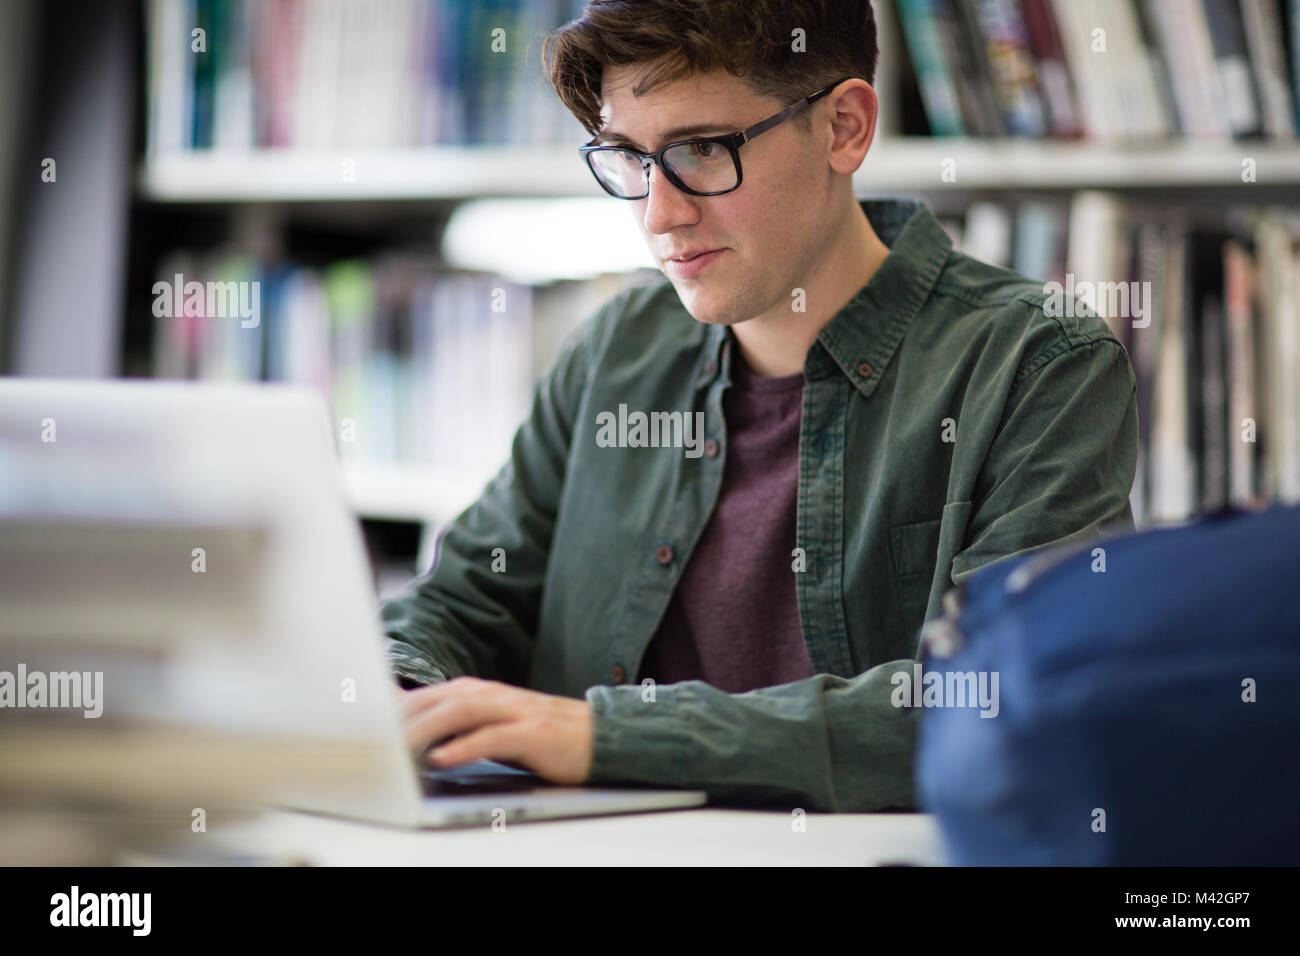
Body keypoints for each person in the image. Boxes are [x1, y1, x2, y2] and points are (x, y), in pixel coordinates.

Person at [384, 0, 1136, 811]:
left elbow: (1007, 699)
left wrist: (611, 737)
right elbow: (468, 599)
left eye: (702, 150)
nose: (658, 214)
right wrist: (394, 689)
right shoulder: (616, 351)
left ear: (844, 128)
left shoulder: (1039, 363)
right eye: (629, 158)